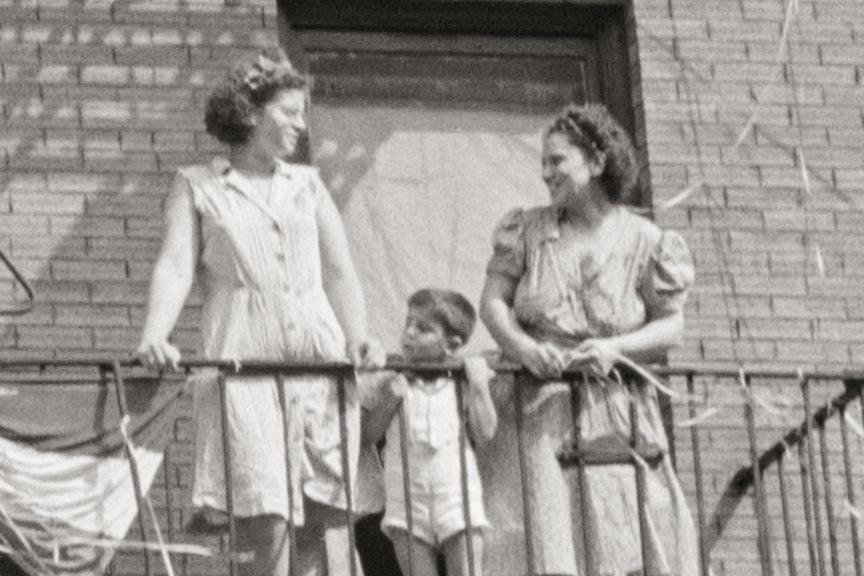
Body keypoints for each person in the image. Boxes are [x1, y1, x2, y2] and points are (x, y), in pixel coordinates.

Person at [135, 55, 384, 576]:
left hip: (318, 367)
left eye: (303, 114)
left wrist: (358, 336)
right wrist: (155, 335)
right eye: (290, 112)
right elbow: (176, 266)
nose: (301, 124)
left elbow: (339, 272)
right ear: (250, 113)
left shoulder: (307, 186)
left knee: (324, 518)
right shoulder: (199, 185)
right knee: (264, 516)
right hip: (244, 369)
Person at [478, 103, 698, 576]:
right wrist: (525, 349)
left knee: (620, 545)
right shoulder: (527, 230)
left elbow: (672, 325)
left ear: (597, 162)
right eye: (542, 162)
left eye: (557, 161)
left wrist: (614, 348)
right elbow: (492, 303)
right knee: (542, 544)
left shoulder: (646, 240)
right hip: (534, 413)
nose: (545, 173)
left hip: (615, 413)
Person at [360, 288, 497, 576]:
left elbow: (485, 433)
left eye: (423, 329)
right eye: (408, 324)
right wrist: (390, 399)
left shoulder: (460, 379)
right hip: (407, 501)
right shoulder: (391, 377)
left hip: (456, 496)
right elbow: (367, 437)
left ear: (451, 344)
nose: (409, 333)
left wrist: (480, 385)